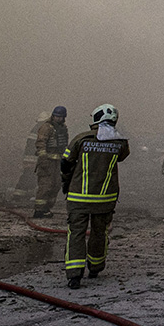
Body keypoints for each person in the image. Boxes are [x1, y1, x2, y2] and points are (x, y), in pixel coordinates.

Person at [61, 104, 129, 289]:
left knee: (76, 233)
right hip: (105, 198)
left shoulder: (81, 139)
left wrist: (65, 182)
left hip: (78, 197)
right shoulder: (120, 142)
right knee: (100, 232)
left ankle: (74, 275)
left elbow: (65, 163)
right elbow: (122, 157)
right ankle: (96, 267)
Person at [33, 106, 69, 218]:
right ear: (53, 116)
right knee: (45, 185)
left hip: (58, 162)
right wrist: (43, 160)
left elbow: (65, 146)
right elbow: (41, 143)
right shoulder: (46, 127)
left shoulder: (63, 128)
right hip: (47, 161)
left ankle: (47, 208)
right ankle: (39, 210)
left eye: (61, 117)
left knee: (56, 185)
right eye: (56, 116)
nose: (58, 118)